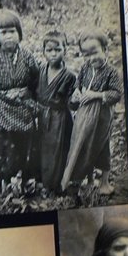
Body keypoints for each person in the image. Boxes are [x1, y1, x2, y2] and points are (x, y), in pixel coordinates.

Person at [0, 8, 40, 190]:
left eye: (12, 32)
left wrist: (31, 97)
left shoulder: (27, 56)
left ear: (19, 34)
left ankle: (26, 176)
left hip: (23, 105)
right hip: (1, 107)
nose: (9, 37)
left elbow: (35, 79)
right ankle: (2, 178)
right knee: (3, 144)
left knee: (26, 142)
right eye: (4, 33)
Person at [60, 30, 121, 196]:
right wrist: (78, 93)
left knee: (101, 147)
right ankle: (88, 180)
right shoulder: (85, 68)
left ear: (105, 50)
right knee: (84, 145)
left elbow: (116, 94)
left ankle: (104, 183)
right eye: (86, 55)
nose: (91, 58)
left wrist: (97, 95)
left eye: (95, 52)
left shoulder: (111, 72)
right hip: (84, 114)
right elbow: (78, 85)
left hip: (101, 116)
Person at [30, 30, 76, 193]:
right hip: (42, 116)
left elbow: (71, 100)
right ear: (43, 52)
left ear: (65, 51)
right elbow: (34, 91)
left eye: (58, 50)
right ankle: (41, 179)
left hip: (59, 118)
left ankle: (54, 183)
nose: (53, 54)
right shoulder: (41, 70)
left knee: (56, 149)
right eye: (49, 50)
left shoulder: (69, 76)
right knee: (41, 147)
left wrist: (75, 99)